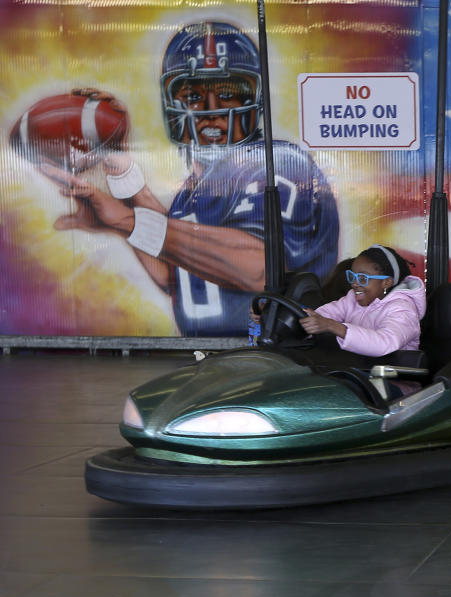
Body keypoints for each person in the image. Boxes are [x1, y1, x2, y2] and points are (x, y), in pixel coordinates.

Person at [40, 21, 339, 336]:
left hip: (277, 353)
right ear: (172, 104)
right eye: (193, 94)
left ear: (256, 98)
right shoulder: (193, 189)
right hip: (215, 356)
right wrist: (124, 186)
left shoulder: (277, 163)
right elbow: (178, 277)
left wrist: (128, 220)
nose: (211, 110)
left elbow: (258, 270)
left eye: (227, 93)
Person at [298, 245, 426, 357]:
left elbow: (384, 343)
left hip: (390, 381)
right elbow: (325, 315)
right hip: (356, 371)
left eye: (363, 278)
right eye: (352, 276)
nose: (354, 283)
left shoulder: (403, 310)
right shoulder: (352, 299)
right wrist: (307, 321)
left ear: (386, 282)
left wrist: (332, 326)